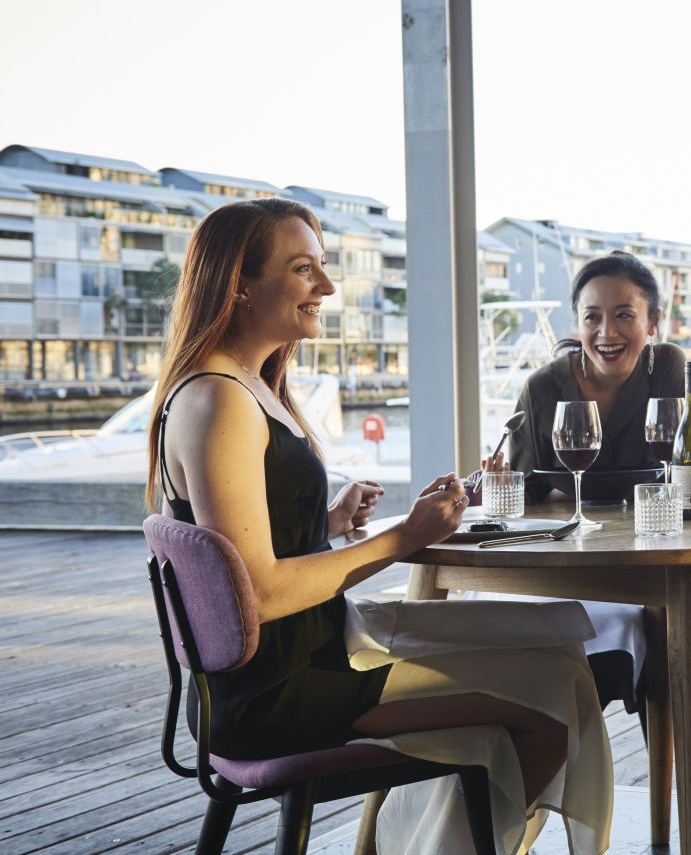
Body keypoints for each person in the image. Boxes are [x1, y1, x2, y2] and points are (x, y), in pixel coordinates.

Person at [147, 198, 611, 855]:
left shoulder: (241, 386)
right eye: (305, 269)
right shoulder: (218, 399)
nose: (327, 287)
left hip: (303, 662)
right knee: (548, 713)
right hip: (278, 695)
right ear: (240, 284)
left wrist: (328, 524)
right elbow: (261, 592)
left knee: (561, 661)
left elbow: (244, 556)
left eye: (323, 267)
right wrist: (404, 539)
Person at [499, 249, 686, 711]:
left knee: (678, 641)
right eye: (592, 317)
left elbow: (686, 468)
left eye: (624, 315)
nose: (607, 333)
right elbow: (524, 491)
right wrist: (497, 484)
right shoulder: (543, 388)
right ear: (577, 322)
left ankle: (672, 781)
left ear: (653, 320)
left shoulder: (666, 367)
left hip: (654, 554)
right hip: (569, 565)